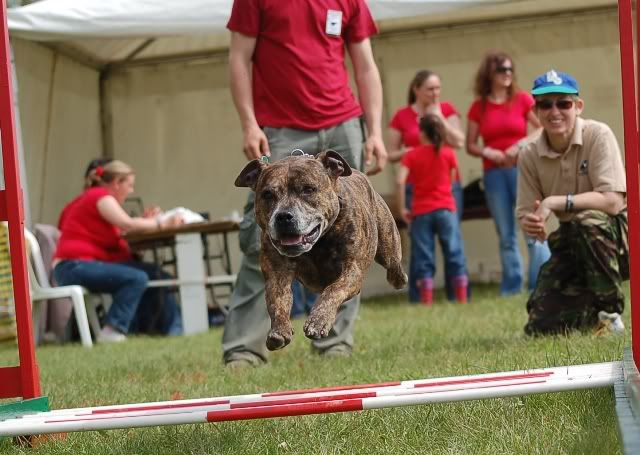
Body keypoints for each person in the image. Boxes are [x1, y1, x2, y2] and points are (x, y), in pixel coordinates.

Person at [223, 0, 387, 367]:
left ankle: (334, 343)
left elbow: (365, 65)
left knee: (351, 240)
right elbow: (238, 58)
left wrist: (374, 131)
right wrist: (249, 124)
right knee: (263, 240)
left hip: (344, 125)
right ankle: (244, 349)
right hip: (281, 129)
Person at [516, 69, 628, 335]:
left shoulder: (598, 134)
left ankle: (610, 313)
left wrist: (554, 202)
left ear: (578, 106)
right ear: (536, 111)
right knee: (540, 326)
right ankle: (589, 311)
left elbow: (613, 202)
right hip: (571, 239)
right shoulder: (528, 154)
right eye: (545, 104)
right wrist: (532, 224)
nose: (554, 111)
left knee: (586, 220)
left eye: (564, 103)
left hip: (620, 237)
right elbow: (525, 213)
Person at [53, 160, 184, 343]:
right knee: (136, 278)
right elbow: (127, 224)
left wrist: (145, 222)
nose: (131, 190)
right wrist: (161, 224)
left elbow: (121, 239)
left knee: (156, 274)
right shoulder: (100, 196)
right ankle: (113, 330)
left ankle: (170, 330)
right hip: (73, 266)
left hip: (80, 265)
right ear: (116, 183)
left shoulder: (99, 198)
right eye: (129, 185)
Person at [466, 51, 551, 296]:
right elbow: (471, 144)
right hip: (494, 175)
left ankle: (541, 282)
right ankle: (512, 287)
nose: (507, 74)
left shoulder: (522, 99)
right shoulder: (479, 107)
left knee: (532, 225)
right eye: (502, 69)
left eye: (510, 69)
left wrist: (520, 144)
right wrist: (489, 152)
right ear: (489, 74)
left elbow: (542, 128)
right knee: (506, 233)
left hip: (522, 170)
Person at [388, 69, 466, 303]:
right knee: (424, 247)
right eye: (430, 89)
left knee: (450, 244)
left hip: (445, 191)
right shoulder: (402, 116)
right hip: (418, 190)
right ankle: (420, 297)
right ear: (416, 89)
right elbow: (390, 154)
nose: (435, 93)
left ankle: (453, 295)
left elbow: (459, 142)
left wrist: (440, 117)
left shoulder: (447, 110)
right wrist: (411, 152)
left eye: (438, 88)